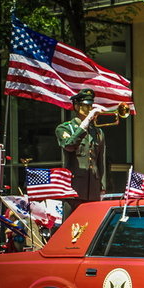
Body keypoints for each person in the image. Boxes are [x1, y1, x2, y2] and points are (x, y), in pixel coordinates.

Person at [55, 89, 107, 217]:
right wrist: (87, 121)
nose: (90, 108)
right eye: (86, 105)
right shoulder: (65, 128)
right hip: (74, 190)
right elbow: (69, 145)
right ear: (77, 106)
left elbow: (101, 161)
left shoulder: (98, 132)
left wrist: (102, 187)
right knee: (71, 229)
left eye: (91, 105)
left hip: (93, 190)